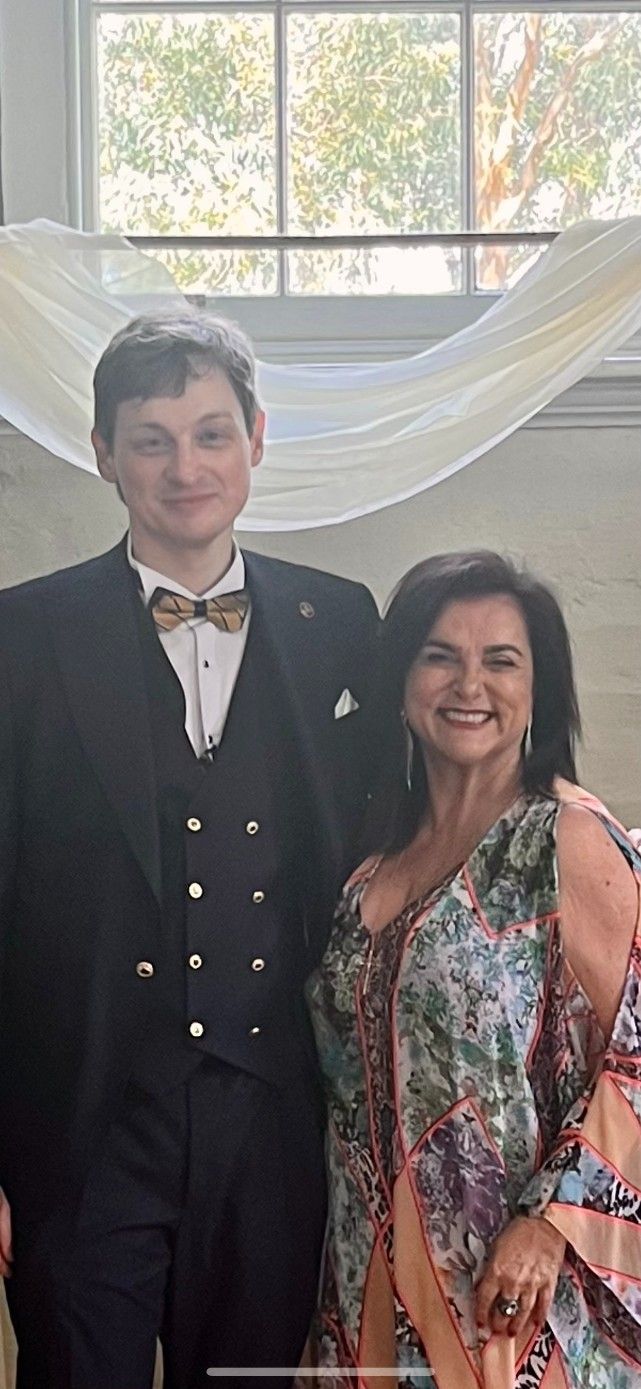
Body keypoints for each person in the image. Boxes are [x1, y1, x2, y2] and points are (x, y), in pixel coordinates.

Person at [0, 310, 379, 1388]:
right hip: (78, 1129)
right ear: (103, 453)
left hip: (273, 1125)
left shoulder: (337, 623)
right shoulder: (19, 637)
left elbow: (399, 829)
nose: (184, 466)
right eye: (152, 438)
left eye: (211, 434)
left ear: (256, 438)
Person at [307, 550, 641, 1389]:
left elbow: (634, 1058)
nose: (468, 684)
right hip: (363, 1289)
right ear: (401, 679)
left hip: (511, 1296)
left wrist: (548, 1225)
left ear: (539, 690)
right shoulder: (366, 869)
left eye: (500, 660)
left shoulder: (563, 841)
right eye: (439, 655)